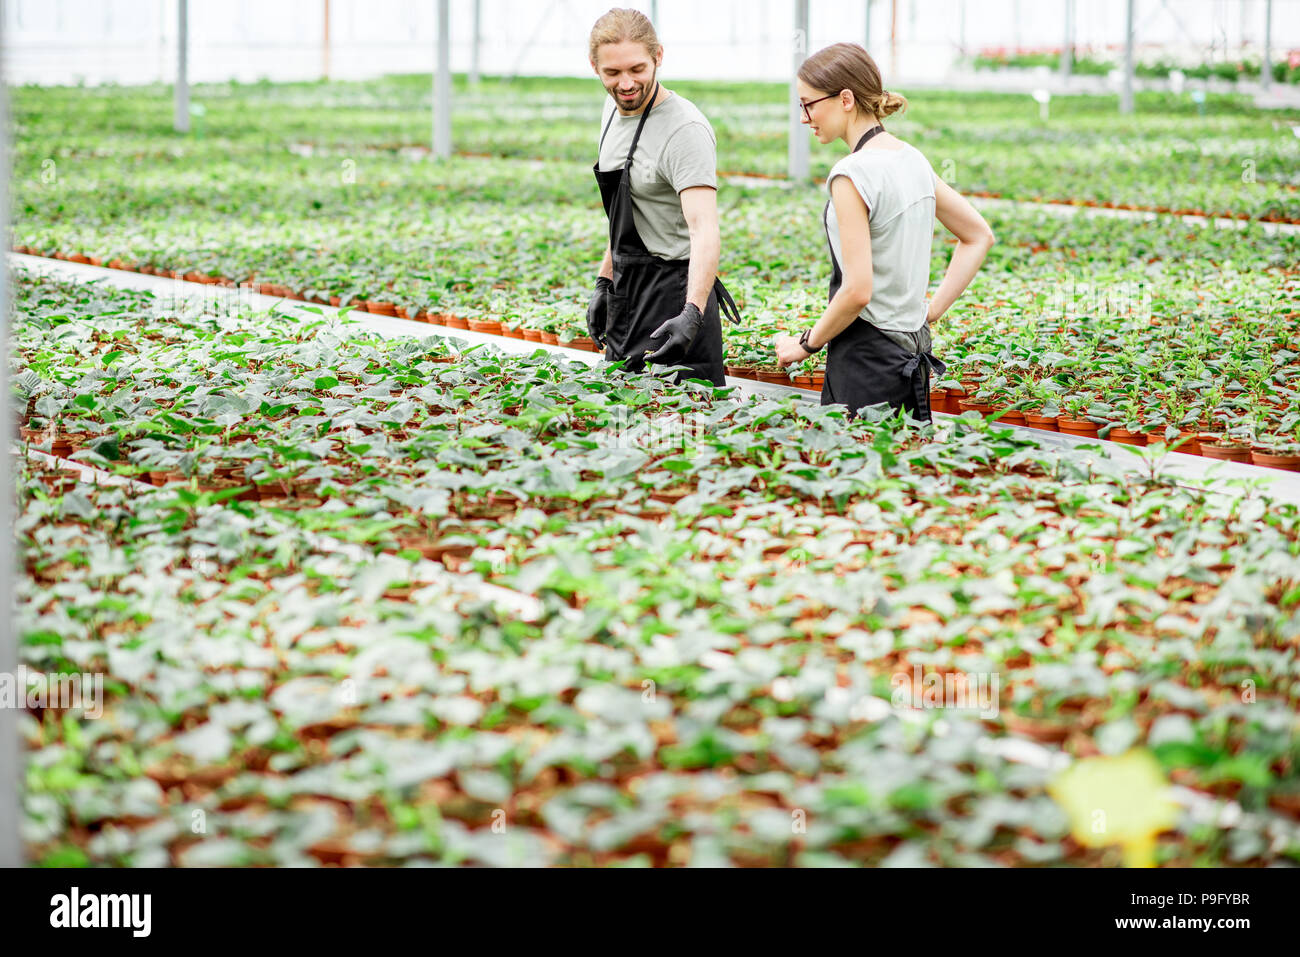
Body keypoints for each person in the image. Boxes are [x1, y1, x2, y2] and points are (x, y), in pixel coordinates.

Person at [773, 42, 995, 422]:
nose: (804, 117)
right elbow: (978, 236)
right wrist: (930, 313)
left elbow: (858, 290)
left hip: (866, 361)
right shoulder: (912, 159)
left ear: (845, 99)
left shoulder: (852, 174)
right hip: (911, 355)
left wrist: (804, 345)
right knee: (903, 474)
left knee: (858, 472)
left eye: (808, 104)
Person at [585, 8, 740, 387]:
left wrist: (692, 313)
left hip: (675, 293)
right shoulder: (613, 109)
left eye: (637, 69)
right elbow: (624, 213)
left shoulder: (684, 129)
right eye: (613, 73)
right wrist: (605, 282)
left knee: (681, 430)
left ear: (658, 57)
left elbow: (704, 229)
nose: (626, 83)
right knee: (622, 423)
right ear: (595, 67)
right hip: (627, 291)